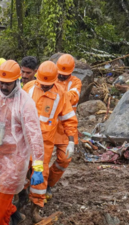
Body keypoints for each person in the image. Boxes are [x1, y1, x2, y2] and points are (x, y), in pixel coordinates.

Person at [0, 60, 45, 225]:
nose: (3, 87)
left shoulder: (26, 103)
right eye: (1, 82)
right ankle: (14, 212)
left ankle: (5, 218)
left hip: (15, 157)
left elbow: (34, 135)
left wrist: (38, 165)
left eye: (7, 84)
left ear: (17, 81)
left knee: (3, 204)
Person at [22, 61, 78, 223]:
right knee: (21, 170)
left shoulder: (60, 94)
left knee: (40, 175)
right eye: (43, 84)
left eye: (48, 85)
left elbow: (68, 118)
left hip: (43, 144)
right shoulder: (29, 88)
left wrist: (71, 141)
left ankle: (35, 208)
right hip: (24, 141)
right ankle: (19, 201)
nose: (45, 87)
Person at [47, 54, 82, 200]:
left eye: (64, 75)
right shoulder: (50, 77)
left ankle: (49, 183)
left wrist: (57, 94)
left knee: (64, 159)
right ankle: (36, 185)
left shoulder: (76, 82)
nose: (61, 77)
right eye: (59, 73)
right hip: (49, 126)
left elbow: (73, 97)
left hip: (66, 127)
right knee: (39, 159)